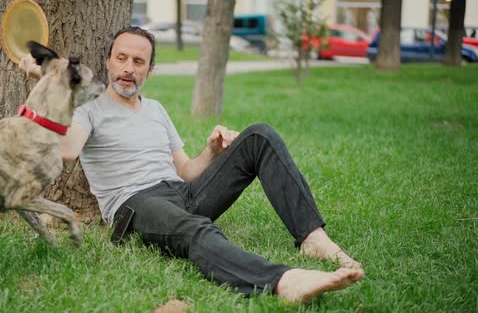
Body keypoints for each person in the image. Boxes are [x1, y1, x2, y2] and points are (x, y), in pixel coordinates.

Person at [19, 26, 364, 304]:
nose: (128, 68)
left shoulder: (156, 109)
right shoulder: (88, 108)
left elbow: (186, 171)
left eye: (138, 62)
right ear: (108, 62)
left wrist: (212, 151)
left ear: (149, 70)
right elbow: (66, 151)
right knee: (194, 230)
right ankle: (282, 280)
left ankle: (312, 236)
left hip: (181, 193)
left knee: (259, 135)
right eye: (121, 58)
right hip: (135, 205)